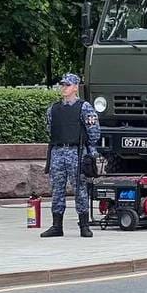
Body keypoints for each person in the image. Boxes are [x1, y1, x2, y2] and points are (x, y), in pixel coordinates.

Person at [41, 73, 101, 238]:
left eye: (67, 85)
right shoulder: (53, 109)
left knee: (80, 188)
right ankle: (56, 226)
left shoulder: (84, 107)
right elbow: (50, 129)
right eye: (63, 85)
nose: (64, 88)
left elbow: (94, 132)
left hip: (76, 152)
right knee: (57, 189)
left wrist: (91, 153)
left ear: (75, 87)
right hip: (58, 152)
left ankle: (84, 225)